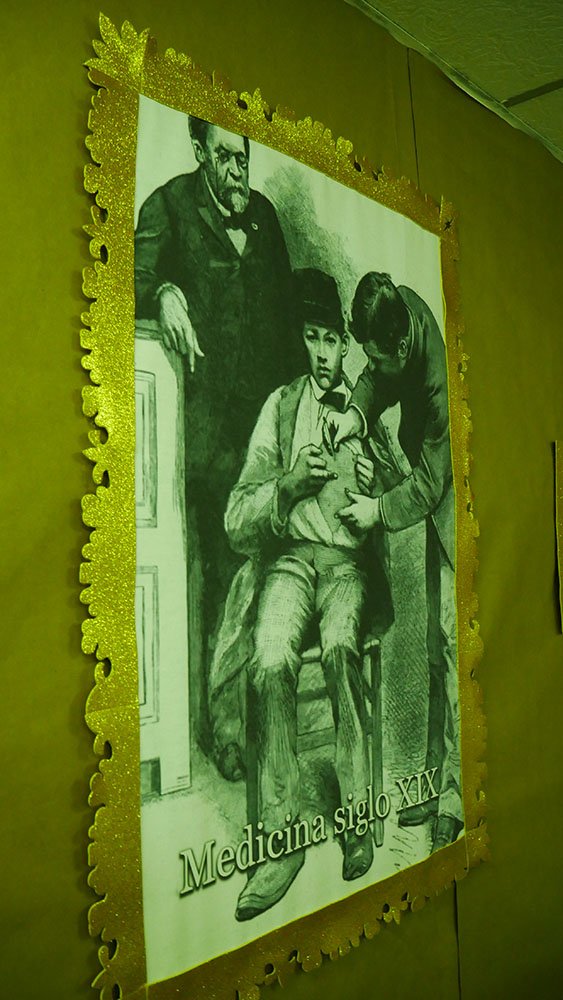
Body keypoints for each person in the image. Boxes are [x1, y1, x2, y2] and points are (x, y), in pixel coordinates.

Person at [212, 268, 392, 921]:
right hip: (289, 562)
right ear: (303, 340)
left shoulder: (363, 410)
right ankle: (281, 842)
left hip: (344, 566)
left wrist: (373, 484)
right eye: (311, 338)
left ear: (346, 343)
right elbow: (236, 518)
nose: (321, 352)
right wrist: (286, 486)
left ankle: (356, 815)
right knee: (268, 660)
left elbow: (395, 503)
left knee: (341, 650)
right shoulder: (280, 407)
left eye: (330, 339)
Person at [134, 115, 296, 753]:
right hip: (208, 441)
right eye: (226, 157)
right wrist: (163, 292)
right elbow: (122, 281)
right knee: (224, 582)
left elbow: (288, 323)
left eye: (244, 158)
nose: (237, 170)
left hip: (267, 436)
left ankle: (271, 724)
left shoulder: (264, 218)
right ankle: (225, 734)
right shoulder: (169, 207)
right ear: (200, 150)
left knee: (278, 571)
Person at [327, 271, 462, 853]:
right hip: (432, 485)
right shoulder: (396, 307)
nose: (373, 364)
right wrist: (354, 415)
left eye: (381, 356)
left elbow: (430, 484)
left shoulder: (436, 383)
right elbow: (373, 377)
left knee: (453, 646)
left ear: (403, 346)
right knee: (434, 648)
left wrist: (377, 510)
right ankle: (435, 782)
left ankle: (455, 796)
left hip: (453, 496)